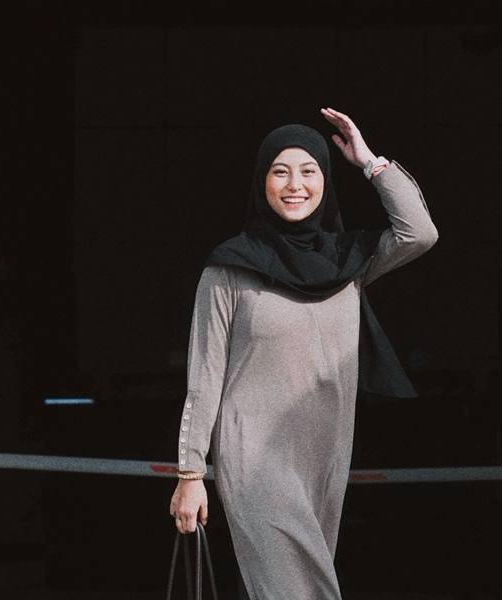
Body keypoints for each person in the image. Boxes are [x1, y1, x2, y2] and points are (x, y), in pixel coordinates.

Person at [167, 108, 438, 599]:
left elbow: (419, 233)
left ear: (325, 182)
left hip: (326, 454)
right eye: (280, 171)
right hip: (253, 458)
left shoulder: (346, 262)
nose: (295, 184)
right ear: (262, 182)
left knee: (291, 587)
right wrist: (191, 473)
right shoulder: (230, 269)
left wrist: (369, 161)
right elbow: (203, 377)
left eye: (309, 171)